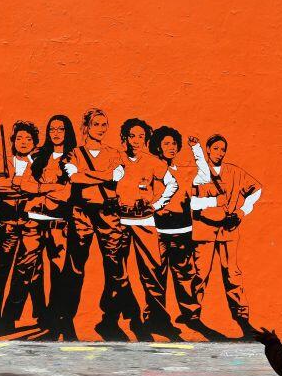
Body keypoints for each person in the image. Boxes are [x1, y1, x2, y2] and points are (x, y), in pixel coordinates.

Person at [65, 108, 144, 342]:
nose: (101, 128)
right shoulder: (74, 153)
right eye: (97, 124)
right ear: (86, 126)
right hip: (81, 214)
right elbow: (74, 177)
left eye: (104, 124)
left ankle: (111, 321)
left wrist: (89, 174)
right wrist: (103, 175)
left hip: (109, 213)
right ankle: (67, 319)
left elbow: (116, 176)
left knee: (115, 267)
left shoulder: (115, 153)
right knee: (75, 267)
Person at [190, 133, 263, 340]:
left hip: (228, 230)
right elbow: (191, 200)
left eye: (223, 149)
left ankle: (241, 315)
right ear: (207, 149)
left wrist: (241, 211)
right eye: (216, 149)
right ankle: (193, 314)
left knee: (233, 273)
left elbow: (256, 189)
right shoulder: (199, 172)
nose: (219, 153)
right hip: (204, 229)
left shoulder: (234, 172)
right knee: (200, 273)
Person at [114, 118, 178, 341]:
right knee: (118, 272)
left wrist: (157, 204)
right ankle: (129, 318)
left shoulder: (152, 161)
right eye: (132, 136)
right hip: (119, 221)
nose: (137, 140)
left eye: (141, 136)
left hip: (145, 221)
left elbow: (173, 183)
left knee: (152, 272)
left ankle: (159, 320)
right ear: (125, 138)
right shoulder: (117, 159)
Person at [148, 126, 212, 333]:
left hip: (182, 231)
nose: (171, 147)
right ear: (157, 146)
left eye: (174, 143)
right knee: (156, 276)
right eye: (166, 143)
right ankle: (156, 317)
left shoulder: (183, 171)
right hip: (157, 231)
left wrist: (197, 149)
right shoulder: (151, 170)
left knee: (185, 274)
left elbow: (205, 176)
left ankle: (191, 315)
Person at [19, 115, 78, 340]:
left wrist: (40, 188)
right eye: (52, 129)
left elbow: (67, 193)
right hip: (33, 220)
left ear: (67, 132)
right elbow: (25, 184)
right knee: (31, 270)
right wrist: (52, 187)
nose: (56, 133)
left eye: (60, 129)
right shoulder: (39, 156)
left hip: (58, 223)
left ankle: (57, 317)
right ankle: (42, 314)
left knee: (58, 271)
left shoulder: (73, 158)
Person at [0, 121, 41, 335]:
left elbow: (39, 187)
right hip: (8, 221)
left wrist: (18, 185)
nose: (24, 142)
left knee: (24, 272)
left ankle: (9, 318)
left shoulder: (39, 163)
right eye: (19, 138)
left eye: (29, 139)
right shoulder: (3, 161)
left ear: (35, 143)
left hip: (31, 222)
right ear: (12, 141)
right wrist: (22, 185)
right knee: (0, 268)